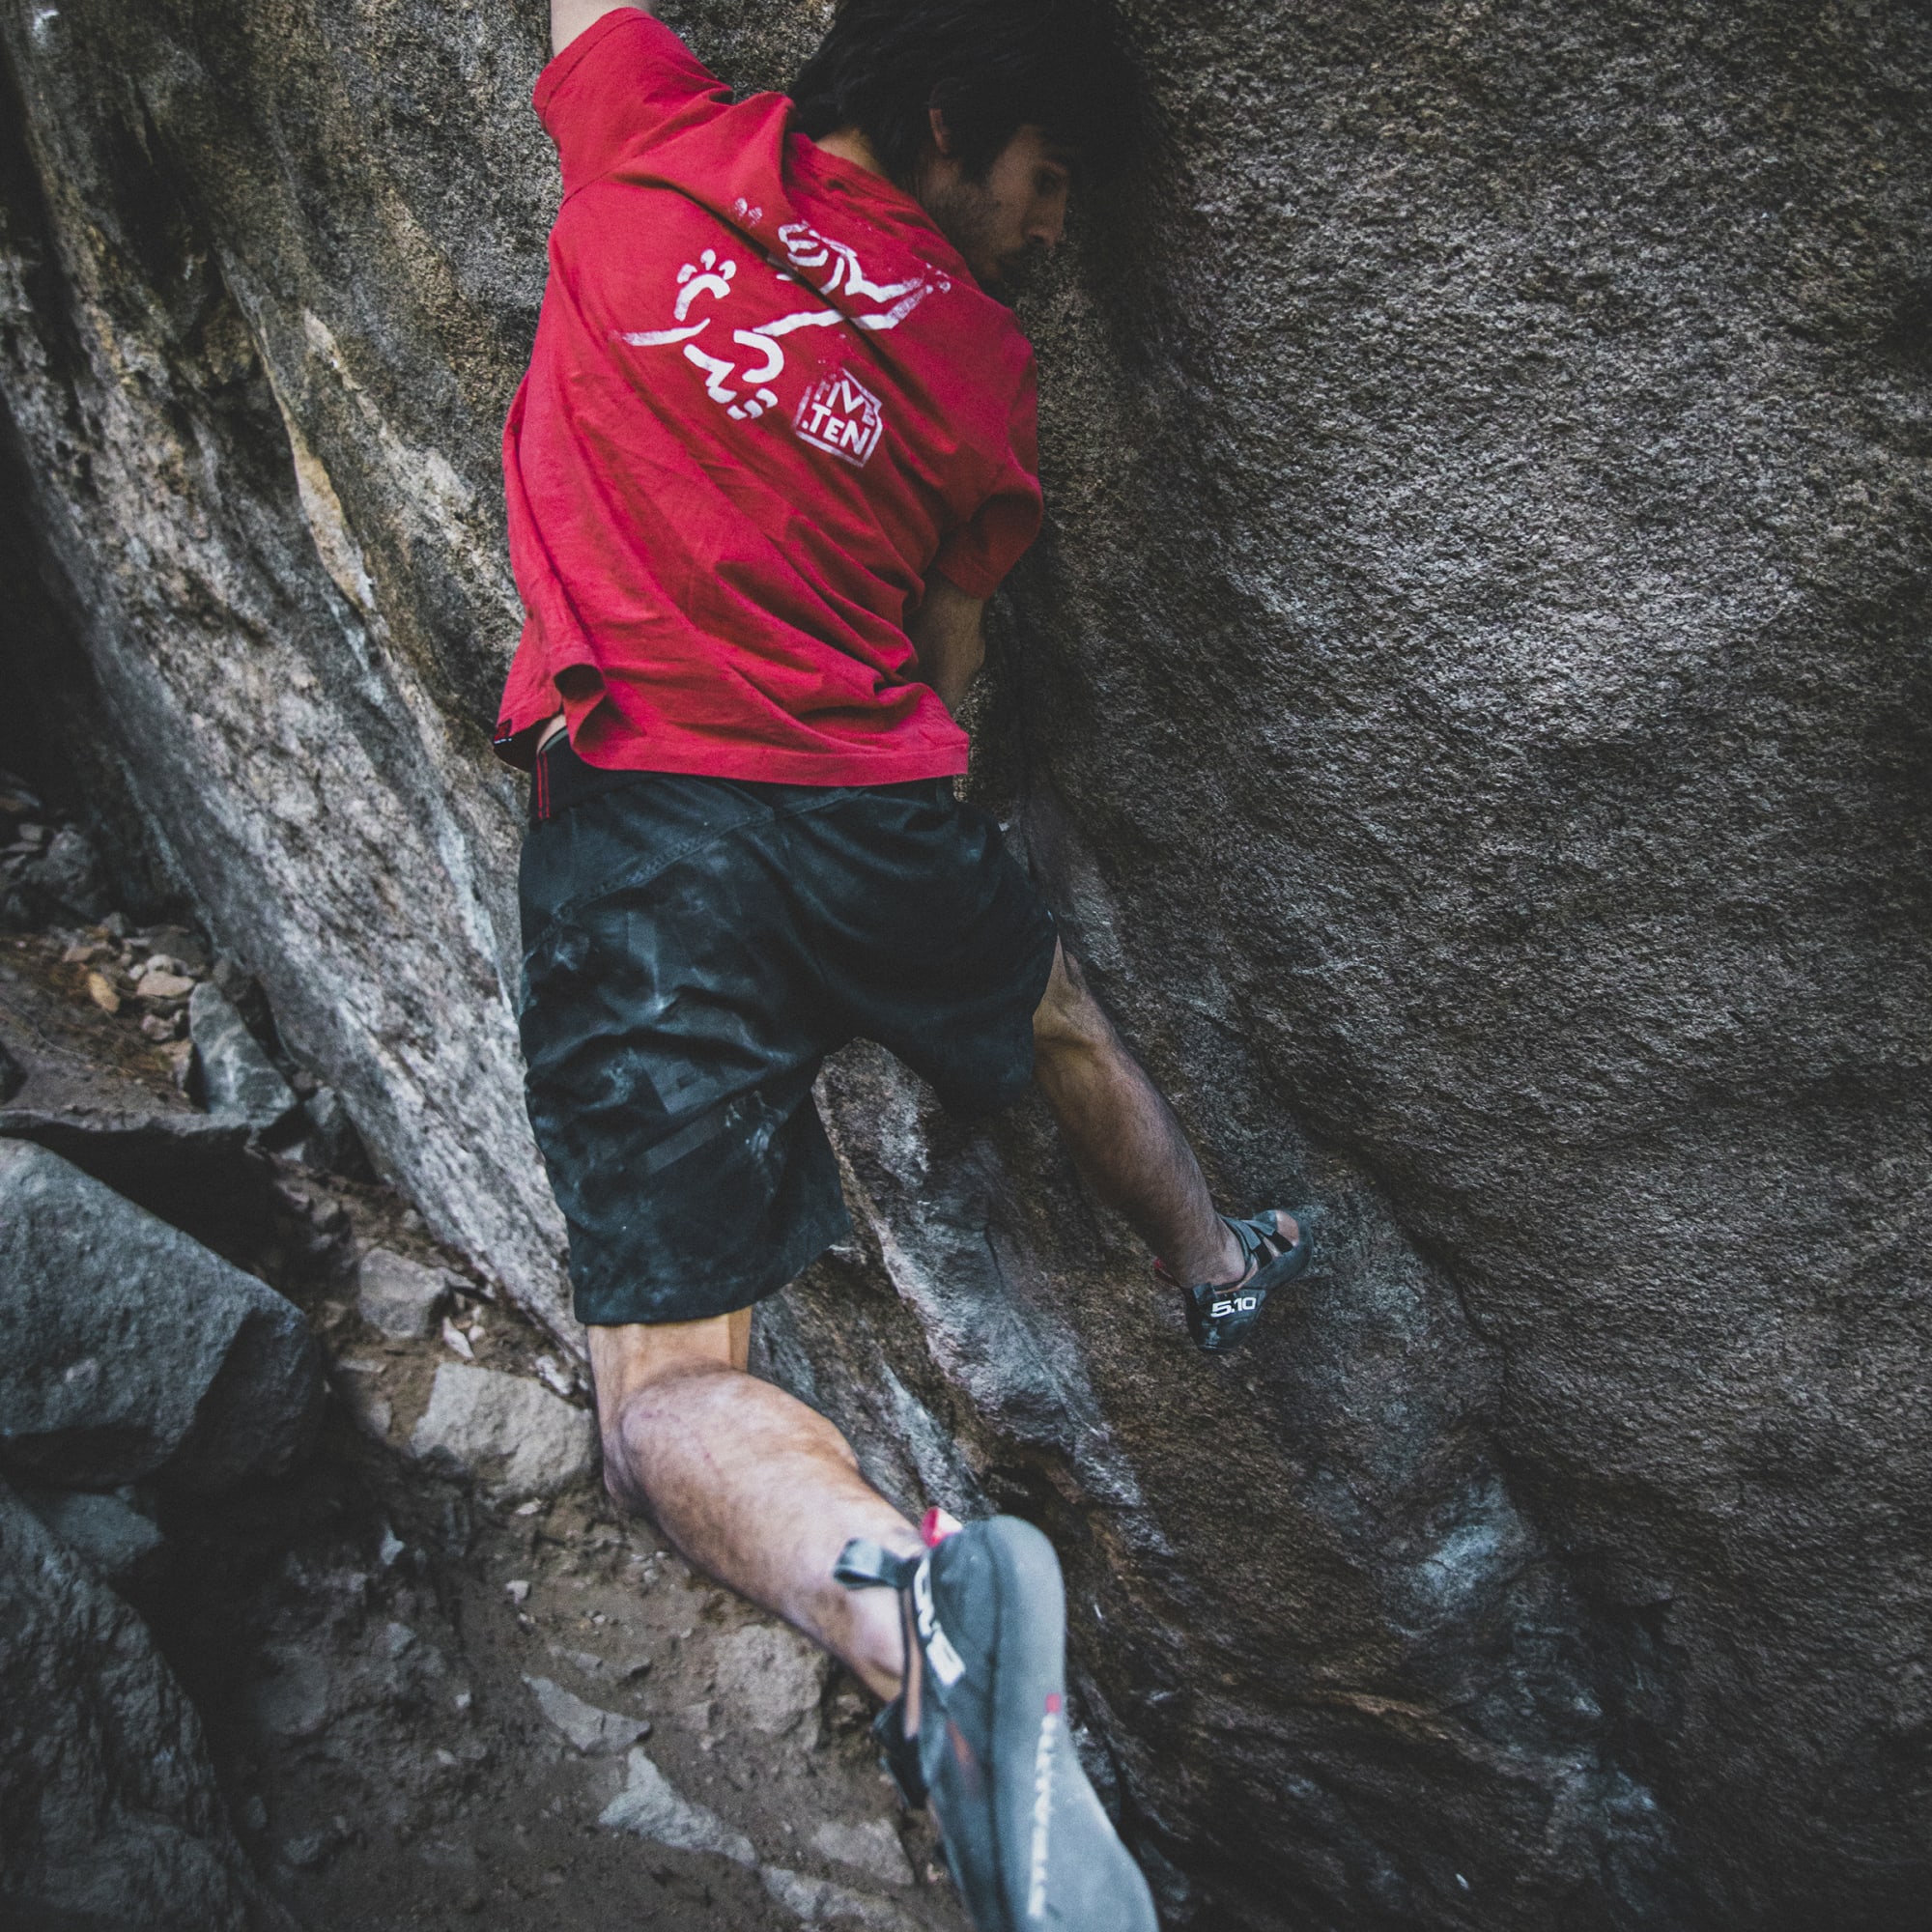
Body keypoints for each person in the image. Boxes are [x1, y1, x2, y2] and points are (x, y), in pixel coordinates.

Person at [495, 2, 1315, 1922]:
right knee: (1051, 1011)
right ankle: (1215, 1265)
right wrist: (914, 766)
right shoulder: (972, 361)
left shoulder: (654, 136)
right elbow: (951, 657)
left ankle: (911, 1615)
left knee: (663, 1405)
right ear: (948, 122)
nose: (1051, 227)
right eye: (1044, 179)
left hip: (650, 833)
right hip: (871, 807)